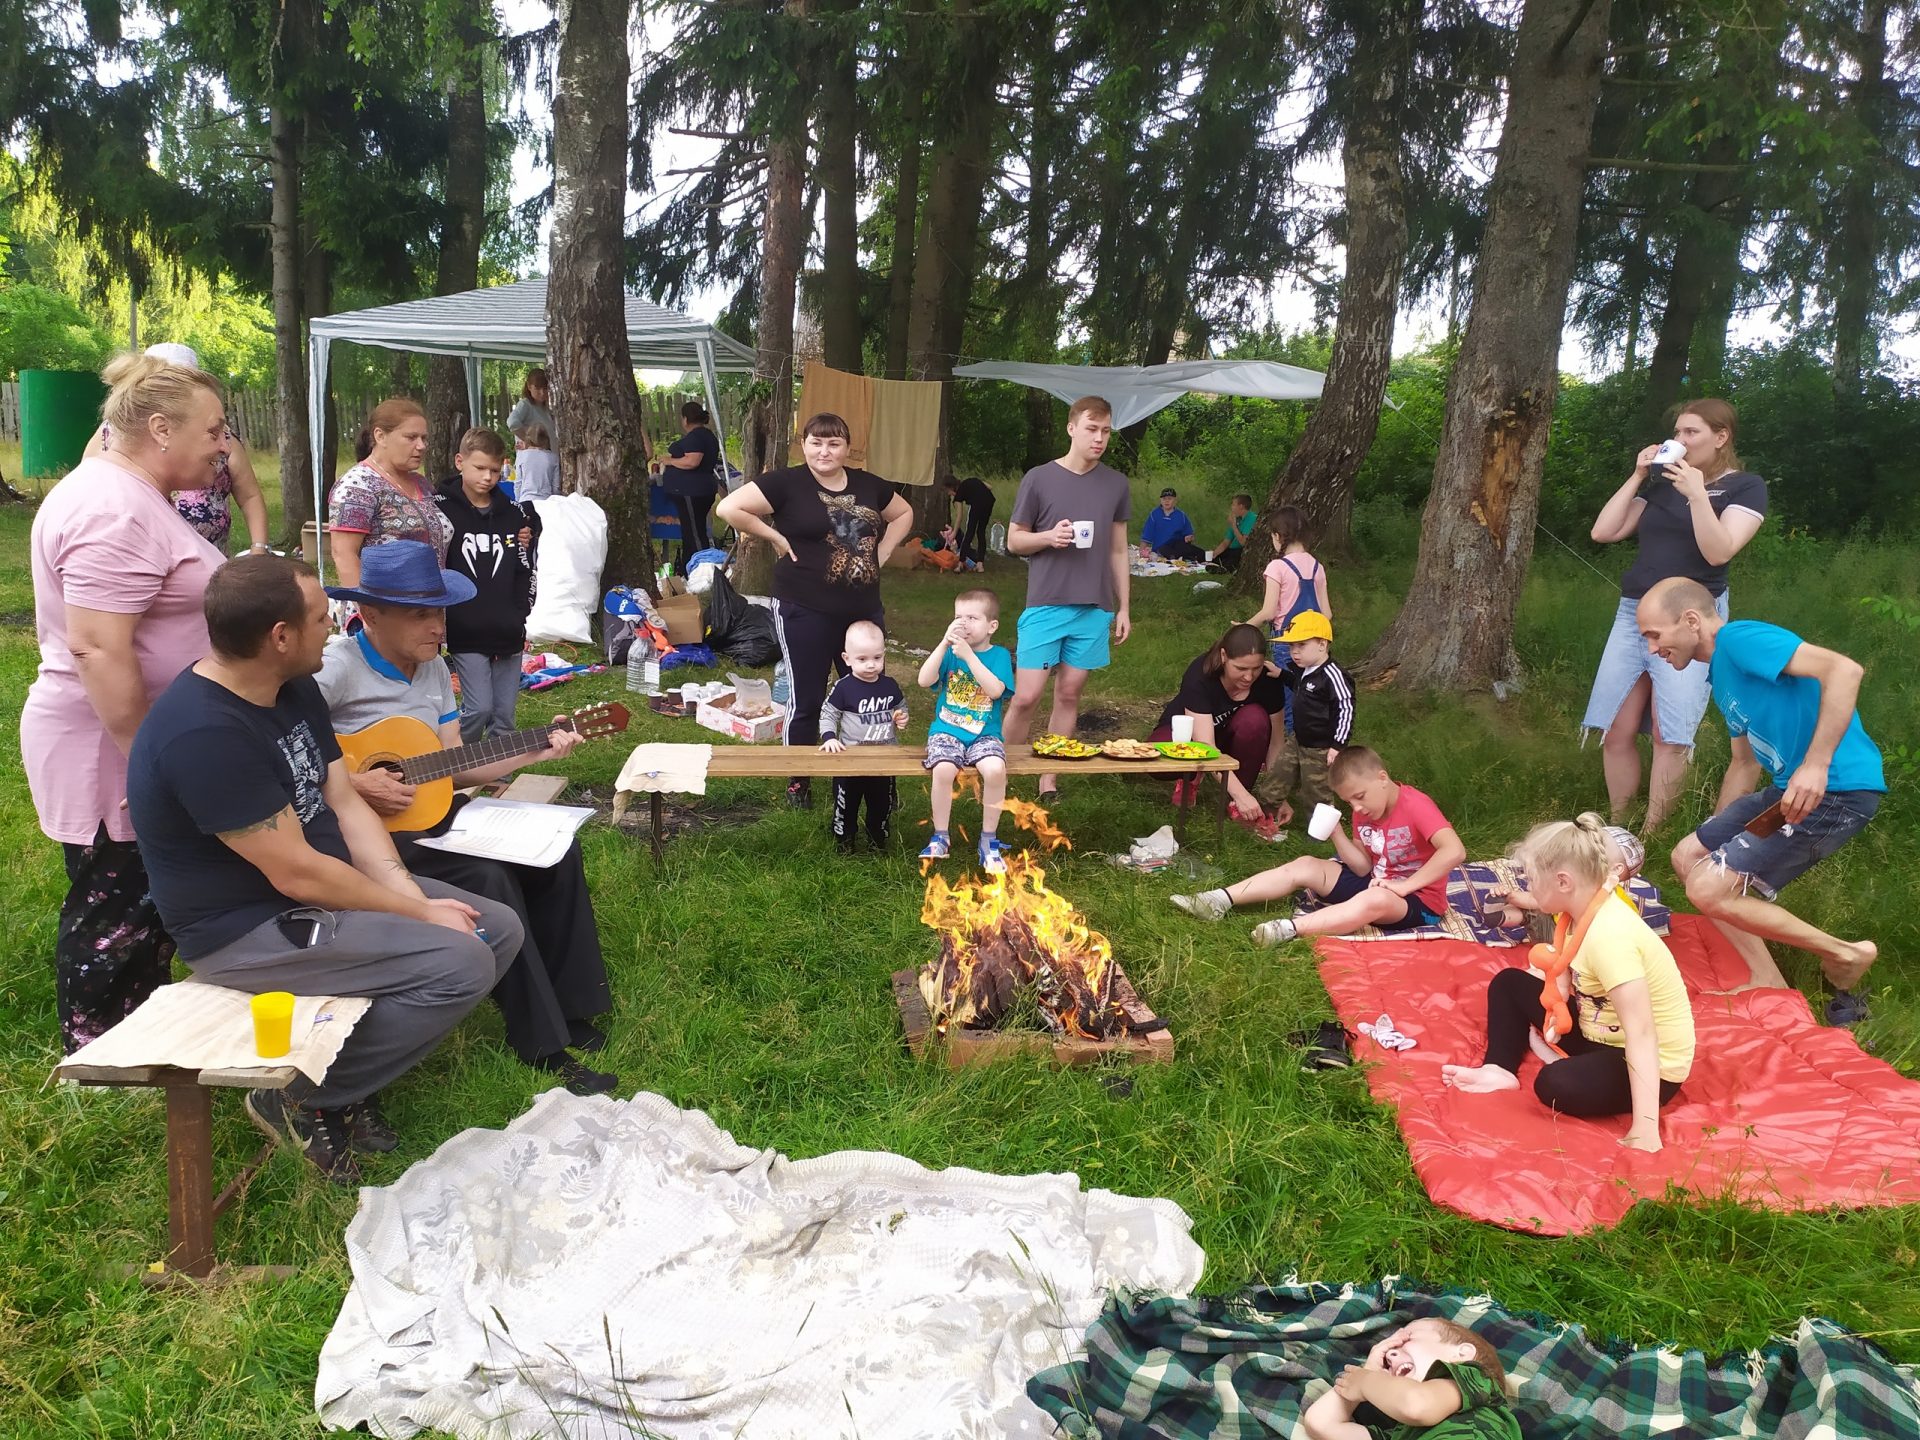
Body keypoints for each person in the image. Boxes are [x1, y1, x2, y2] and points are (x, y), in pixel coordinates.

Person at [125, 554, 523, 1184]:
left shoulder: (291, 687)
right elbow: (298, 875)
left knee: (494, 928)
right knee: (462, 960)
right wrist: (419, 914)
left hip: (314, 891)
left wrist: (406, 891)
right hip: (243, 929)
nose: (334, 628)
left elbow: (343, 800)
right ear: (280, 637)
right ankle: (301, 1094)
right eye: (320, 619)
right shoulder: (204, 735)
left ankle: (342, 1079)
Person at [317, 541, 618, 1095]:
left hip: (434, 813)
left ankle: (572, 1005)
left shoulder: (434, 668)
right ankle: (541, 1042)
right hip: (367, 835)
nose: (438, 627)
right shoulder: (334, 669)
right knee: (488, 877)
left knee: (556, 851)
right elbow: (282, 748)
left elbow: (454, 765)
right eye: (419, 614)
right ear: (370, 614)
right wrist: (355, 782)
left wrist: (535, 749)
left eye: (440, 612)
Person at [22, 352, 229, 1052]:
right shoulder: (112, 508)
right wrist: (149, 767)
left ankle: (140, 1034)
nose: (223, 446)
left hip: (133, 740)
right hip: (110, 746)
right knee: (113, 912)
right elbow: (98, 649)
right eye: (213, 430)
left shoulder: (132, 494)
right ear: (162, 429)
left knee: (143, 903)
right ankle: (101, 1057)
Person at [1640, 578, 1884, 1017]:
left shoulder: (1739, 639)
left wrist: (1816, 765)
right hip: (1787, 788)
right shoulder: (1720, 676)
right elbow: (1744, 763)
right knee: (1689, 859)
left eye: (1655, 635)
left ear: (1691, 620)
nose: (1652, 648)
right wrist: (1720, 844)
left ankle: (1846, 953)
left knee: (1708, 887)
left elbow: (1845, 670)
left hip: (1836, 790)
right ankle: (1767, 978)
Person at [1442, 813, 1694, 1152]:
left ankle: (1596, 1081)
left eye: (1531, 879)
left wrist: (1646, 1128)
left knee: (1554, 1084)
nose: (1528, 888)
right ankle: (1499, 1068)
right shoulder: (1577, 909)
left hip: (1651, 1064)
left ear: (1563, 882)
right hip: (1598, 1030)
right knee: (1509, 983)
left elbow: (1643, 1032)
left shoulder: (1611, 938)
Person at [1584, 400, 1768, 830]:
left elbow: (1719, 551)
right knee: (1616, 726)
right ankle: (1617, 826)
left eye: (1691, 432)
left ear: (1720, 437)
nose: (1679, 440)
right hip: (1635, 612)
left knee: (1670, 731)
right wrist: (1638, 476)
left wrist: (1698, 494)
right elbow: (1603, 531)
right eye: (1677, 432)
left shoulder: (1745, 487)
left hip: (1691, 618)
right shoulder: (1663, 485)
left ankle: (1652, 833)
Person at [714, 411, 913, 808]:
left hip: (862, 610)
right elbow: (730, 508)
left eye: (834, 443)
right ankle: (798, 779)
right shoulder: (785, 483)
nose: (825, 451)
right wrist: (774, 536)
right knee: (807, 697)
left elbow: (903, 513)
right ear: (803, 444)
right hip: (803, 607)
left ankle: (872, 777)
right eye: (816, 442)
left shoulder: (869, 485)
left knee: (868, 696)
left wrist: (885, 549)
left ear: (847, 447)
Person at [1170, 745, 1465, 946]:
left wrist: (1404, 886)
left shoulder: (1415, 805)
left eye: (1360, 796)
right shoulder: (1363, 812)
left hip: (1417, 900)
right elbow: (1362, 866)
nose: (1357, 807)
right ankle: (1217, 900)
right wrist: (1337, 833)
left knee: (1375, 899)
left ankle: (1288, 929)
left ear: (1382, 778)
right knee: (1307, 864)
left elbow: (1455, 851)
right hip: (1377, 881)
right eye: (1349, 801)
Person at [1003, 396, 1132, 803]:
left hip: (1094, 607)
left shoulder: (1116, 484)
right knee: (1026, 696)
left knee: (1070, 693)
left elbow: (1118, 550)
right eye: (1092, 429)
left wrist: (1124, 607)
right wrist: (1048, 537)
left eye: (1106, 431)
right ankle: (999, 771)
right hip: (1046, 603)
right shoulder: (1039, 478)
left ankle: (1048, 779)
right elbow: (1014, 541)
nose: (1099, 438)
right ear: (1072, 428)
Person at [83, 342, 271, 554]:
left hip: (209, 553)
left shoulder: (221, 436)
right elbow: (88, 489)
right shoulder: (112, 433)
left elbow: (250, 495)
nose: (223, 448)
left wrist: (259, 548)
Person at [435, 428, 541, 742]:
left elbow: (525, 565)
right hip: (465, 628)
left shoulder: (513, 514)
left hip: (508, 628)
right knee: (479, 707)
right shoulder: (440, 510)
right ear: (460, 462)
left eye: (494, 470)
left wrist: (521, 611)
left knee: (504, 716)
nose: (487, 477)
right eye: (479, 468)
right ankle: (455, 759)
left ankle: (499, 770)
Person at [1150, 623, 1287, 838]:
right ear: (1223, 656)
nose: (1249, 677)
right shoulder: (1201, 673)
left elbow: (1276, 743)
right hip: (1192, 737)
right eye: (1240, 668)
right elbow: (1206, 747)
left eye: (1256, 668)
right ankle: (1192, 778)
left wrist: (1278, 795)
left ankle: (1235, 801)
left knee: (1255, 720)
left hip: (1235, 736)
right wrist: (1242, 796)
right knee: (1159, 762)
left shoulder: (1270, 681)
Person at [917, 590, 1017, 873]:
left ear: (991, 626)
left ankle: (988, 840)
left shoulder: (998, 655)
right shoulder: (950, 653)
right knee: (943, 770)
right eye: (958, 617)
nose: (963, 623)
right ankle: (940, 835)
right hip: (947, 731)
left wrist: (970, 657)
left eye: (972, 618)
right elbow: (924, 680)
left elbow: (995, 690)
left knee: (995, 770)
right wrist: (943, 643)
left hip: (985, 734)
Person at [1302, 1316, 1519, 1440]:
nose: (1389, 1353)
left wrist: (1366, 1382)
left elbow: (1416, 1404)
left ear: (1461, 1354)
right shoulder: (1401, 1433)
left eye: (1405, 1339)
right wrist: (1368, 1370)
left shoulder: (1478, 1380)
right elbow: (1321, 1424)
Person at [328, 397, 454, 587]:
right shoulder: (358, 486)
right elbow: (344, 555)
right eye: (411, 437)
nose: (421, 446)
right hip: (384, 603)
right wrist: (364, 604)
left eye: (424, 438)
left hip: (431, 600)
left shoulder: (422, 484)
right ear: (380, 436)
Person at [819, 620, 910, 852]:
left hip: (884, 759)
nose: (871, 665)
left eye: (877, 658)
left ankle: (877, 840)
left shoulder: (889, 685)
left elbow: (900, 707)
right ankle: (844, 840)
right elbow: (828, 713)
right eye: (862, 659)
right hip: (850, 760)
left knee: (881, 804)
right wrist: (829, 737)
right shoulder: (844, 687)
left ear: (884, 655)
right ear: (847, 659)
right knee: (846, 804)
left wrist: (901, 718)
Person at [1259, 611, 1354, 828]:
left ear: (1322, 645)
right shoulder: (1304, 670)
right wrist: (1281, 674)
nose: (1295, 652)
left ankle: (1321, 830)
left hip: (1321, 747)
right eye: (1292, 646)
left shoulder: (1333, 676)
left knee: (1316, 789)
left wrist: (1337, 745)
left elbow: (1346, 709)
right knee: (1279, 772)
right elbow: (1299, 686)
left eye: (1301, 645)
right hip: (1297, 738)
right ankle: (1265, 813)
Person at [1244, 505, 1331, 665]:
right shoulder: (1317, 567)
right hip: (1314, 640)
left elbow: (1268, 612)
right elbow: (1327, 614)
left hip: (1288, 641)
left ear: (1277, 536)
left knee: (1288, 680)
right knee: (1312, 680)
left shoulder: (1277, 567)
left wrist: (1244, 627)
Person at [654, 401, 722, 567]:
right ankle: (688, 567)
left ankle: (703, 567)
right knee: (691, 531)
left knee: (695, 533)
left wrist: (669, 461)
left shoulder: (696, 437)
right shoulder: (707, 435)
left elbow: (692, 461)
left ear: (685, 419)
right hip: (698, 489)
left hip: (692, 491)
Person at [942, 474, 996, 572]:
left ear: (951, 487)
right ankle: (980, 565)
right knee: (981, 531)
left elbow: (959, 517)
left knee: (969, 532)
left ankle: (960, 564)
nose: (949, 494)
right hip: (989, 501)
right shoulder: (969, 481)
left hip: (977, 503)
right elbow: (990, 487)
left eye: (948, 491)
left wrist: (954, 533)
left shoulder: (959, 495)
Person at [1140, 487, 1204, 561]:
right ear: (1160, 500)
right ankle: (1178, 558)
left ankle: (1203, 559)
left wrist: (1189, 537)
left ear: (1175, 500)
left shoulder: (1181, 515)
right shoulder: (1154, 514)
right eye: (1164, 499)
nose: (1166, 501)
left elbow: (1189, 535)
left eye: (1169, 499)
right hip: (1160, 550)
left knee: (1200, 552)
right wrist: (1141, 553)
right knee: (1164, 550)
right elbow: (1146, 536)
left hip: (1176, 547)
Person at [506, 367, 558, 450]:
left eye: (545, 388)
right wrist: (530, 442)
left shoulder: (546, 408)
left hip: (549, 456)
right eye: (537, 388)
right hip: (534, 456)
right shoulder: (525, 405)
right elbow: (512, 423)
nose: (542, 392)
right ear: (529, 386)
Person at [1205, 494, 1257, 571]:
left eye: (1233, 504)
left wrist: (1234, 525)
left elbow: (1244, 543)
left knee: (1233, 557)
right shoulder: (1237, 519)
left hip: (1241, 550)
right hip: (1232, 549)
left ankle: (1224, 568)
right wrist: (1214, 554)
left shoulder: (1251, 518)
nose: (1231, 507)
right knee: (1216, 558)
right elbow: (1226, 542)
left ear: (1241, 506)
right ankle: (1217, 565)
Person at [511, 424, 560, 501]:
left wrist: (518, 501)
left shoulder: (521, 456)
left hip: (526, 500)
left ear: (528, 439)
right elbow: (556, 487)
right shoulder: (553, 458)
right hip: (546, 501)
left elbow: (518, 483)